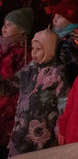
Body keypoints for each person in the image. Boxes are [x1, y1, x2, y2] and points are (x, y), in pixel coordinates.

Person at [6, 29, 67, 155]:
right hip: (21, 129)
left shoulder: (57, 73)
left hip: (44, 134)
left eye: (38, 49)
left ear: (49, 49)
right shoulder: (28, 70)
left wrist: (60, 128)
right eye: (33, 48)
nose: (33, 52)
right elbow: (9, 86)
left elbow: (64, 102)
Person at [0, 10, 32, 152]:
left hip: (8, 106)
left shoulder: (24, 52)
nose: (4, 27)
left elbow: (20, 79)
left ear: (22, 29)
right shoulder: (2, 47)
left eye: (10, 24)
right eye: (4, 23)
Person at [49, 0, 78, 85]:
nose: (54, 20)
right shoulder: (56, 35)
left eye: (59, 17)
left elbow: (70, 69)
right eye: (54, 16)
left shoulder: (74, 41)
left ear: (71, 20)